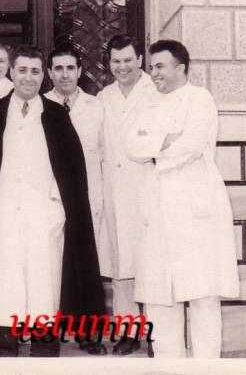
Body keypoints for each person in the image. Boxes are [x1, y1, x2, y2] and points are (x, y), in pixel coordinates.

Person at [0, 45, 105, 357]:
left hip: (45, 216)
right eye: (22, 70)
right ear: (11, 73)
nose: (28, 77)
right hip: (4, 214)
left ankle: (44, 351)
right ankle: (4, 347)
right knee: (5, 281)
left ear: (43, 76)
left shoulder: (56, 116)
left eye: (35, 71)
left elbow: (73, 172)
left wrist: (58, 209)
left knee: (44, 283)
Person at [125, 40, 239, 358]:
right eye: (152, 67)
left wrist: (154, 149)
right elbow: (131, 144)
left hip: (195, 206)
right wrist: (164, 141)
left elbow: (192, 145)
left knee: (203, 295)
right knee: (160, 298)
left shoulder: (200, 99)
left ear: (181, 67)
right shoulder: (147, 103)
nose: (154, 73)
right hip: (157, 208)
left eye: (160, 66)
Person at [44, 44, 107, 356]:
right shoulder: (41, 106)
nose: (65, 74)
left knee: (84, 264)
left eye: (70, 68)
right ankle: (51, 331)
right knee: (52, 264)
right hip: (51, 196)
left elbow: (105, 154)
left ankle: (88, 333)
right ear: (49, 73)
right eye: (58, 68)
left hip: (86, 195)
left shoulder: (96, 107)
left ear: (80, 71)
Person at [96, 34, 157, 355]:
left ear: (140, 61)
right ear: (109, 64)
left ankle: (159, 334)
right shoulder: (103, 96)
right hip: (115, 192)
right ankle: (127, 332)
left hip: (147, 189)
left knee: (151, 263)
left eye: (128, 60)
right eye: (116, 61)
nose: (122, 67)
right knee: (122, 267)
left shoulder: (155, 92)